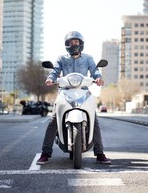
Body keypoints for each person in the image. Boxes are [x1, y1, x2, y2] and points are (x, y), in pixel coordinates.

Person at [36, 31, 111, 165]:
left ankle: (100, 153)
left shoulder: (88, 58)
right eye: (71, 42)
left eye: (76, 42)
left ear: (80, 44)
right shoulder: (62, 59)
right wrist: (50, 78)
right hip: (65, 92)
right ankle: (45, 153)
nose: (73, 44)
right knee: (53, 121)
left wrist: (98, 77)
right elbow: (55, 71)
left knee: (94, 120)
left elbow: (94, 70)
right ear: (67, 44)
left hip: (83, 92)